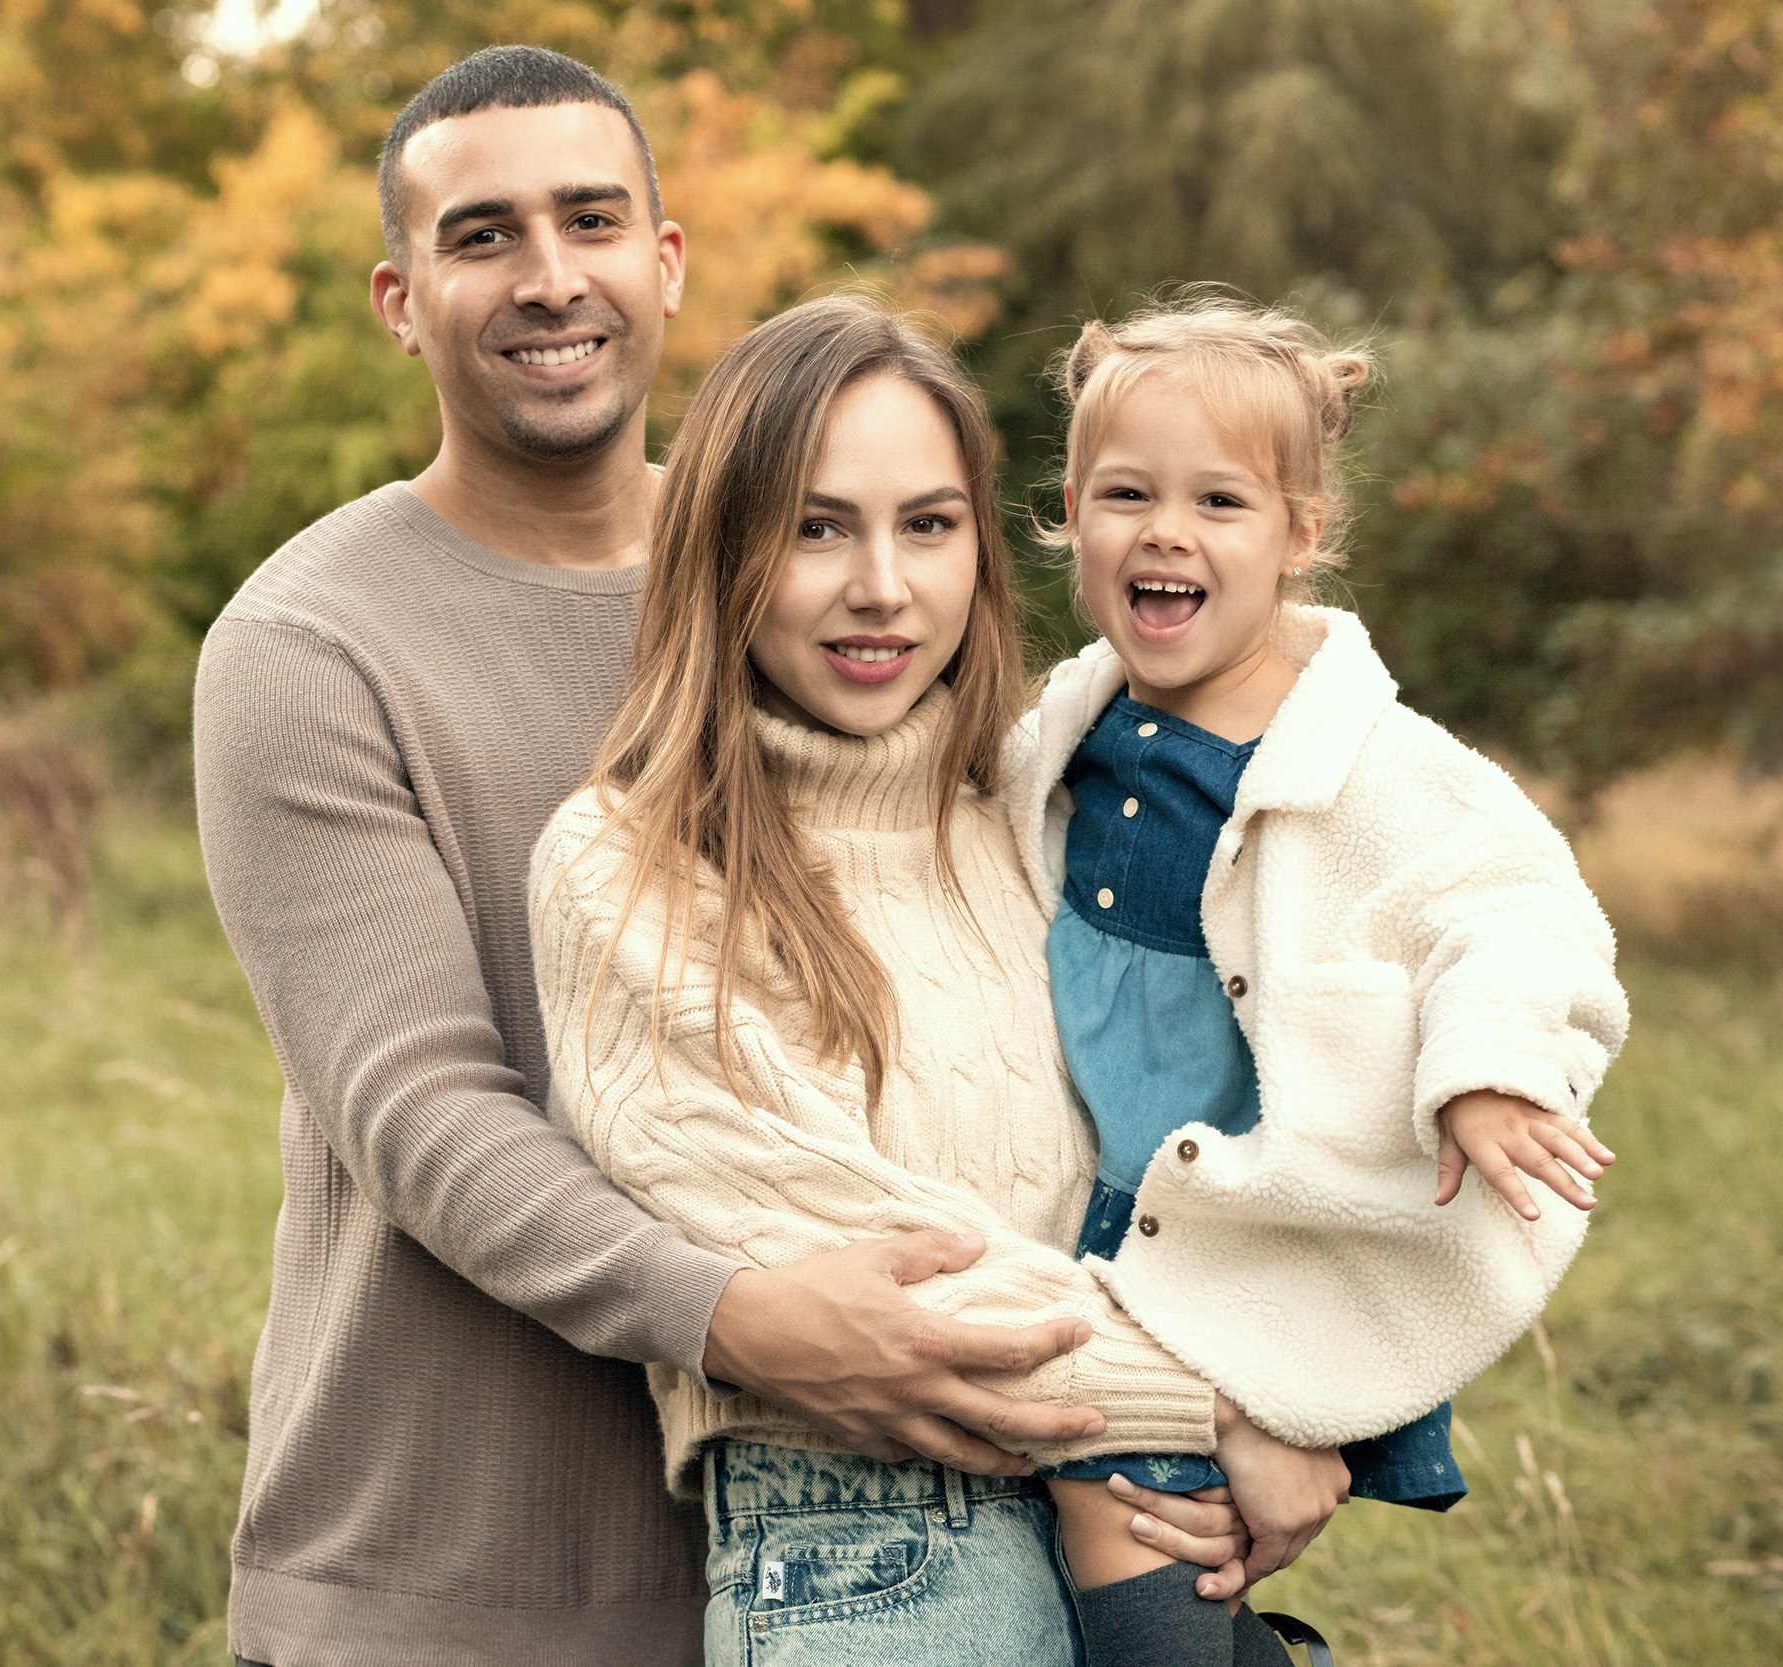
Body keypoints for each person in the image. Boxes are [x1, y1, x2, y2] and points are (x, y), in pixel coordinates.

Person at [192, 47, 1224, 1667]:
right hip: (454, 1573)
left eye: (591, 220)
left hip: (882, 1537)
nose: (550, 279)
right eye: (483, 237)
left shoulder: (827, 575)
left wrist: (1277, 1413)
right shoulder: (310, 646)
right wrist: (746, 1321)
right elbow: (419, 1110)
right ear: (401, 300)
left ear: (663, 263)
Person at [528, 295, 1341, 1667]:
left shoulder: (1038, 828)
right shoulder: (633, 865)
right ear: (723, 549)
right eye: (815, 526)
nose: (882, 588)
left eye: (928, 523)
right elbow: (901, 1292)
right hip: (875, 1562)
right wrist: (1236, 1404)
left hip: (1143, 1526)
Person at [1004, 292, 1631, 1663]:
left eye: (1219, 501)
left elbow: (1518, 910)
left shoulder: (1368, 761)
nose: (1167, 530)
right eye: (1127, 494)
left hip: (1258, 1231)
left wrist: (1489, 1066)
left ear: (1300, 534)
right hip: (1095, 1215)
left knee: (1139, 1555)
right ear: (1070, 511)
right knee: (1103, 1550)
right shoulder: (1070, 718)